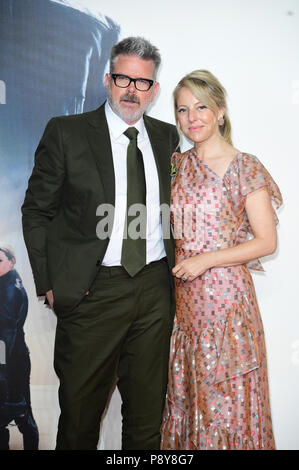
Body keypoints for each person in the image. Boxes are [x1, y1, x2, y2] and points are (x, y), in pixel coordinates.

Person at [21, 36, 179, 450]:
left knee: (146, 423)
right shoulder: (66, 132)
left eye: (142, 82)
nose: (132, 89)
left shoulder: (167, 139)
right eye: (123, 78)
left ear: (154, 90)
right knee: (79, 423)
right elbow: (37, 211)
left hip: (154, 289)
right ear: (108, 80)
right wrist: (49, 282)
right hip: (92, 293)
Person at [161, 70, 282, 450]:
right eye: (183, 110)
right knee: (190, 400)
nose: (192, 117)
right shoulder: (176, 165)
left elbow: (266, 241)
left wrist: (207, 260)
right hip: (187, 308)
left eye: (201, 107)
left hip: (228, 307)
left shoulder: (244, 165)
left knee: (227, 403)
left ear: (220, 112)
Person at [0, 246, 39, 450]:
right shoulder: (8, 284)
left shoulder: (11, 289)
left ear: (11, 261)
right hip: (10, 359)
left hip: (12, 362)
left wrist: (1, 368)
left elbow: (7, 334)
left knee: (23, 416)